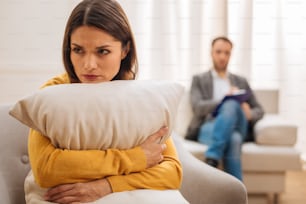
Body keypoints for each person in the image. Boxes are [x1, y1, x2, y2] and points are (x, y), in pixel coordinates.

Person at [27, 0, 182, 203]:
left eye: (103, 51)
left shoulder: (142, 97)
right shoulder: (51, 95)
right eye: (78, 50)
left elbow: (172, 172)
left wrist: (106, 186)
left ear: (125, 50)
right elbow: (46, 169)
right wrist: (135, 158)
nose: (88, 65)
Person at [185, 36, 264, 181]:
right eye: (219, 52)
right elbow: (197, 107)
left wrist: (249, 113)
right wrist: (223, 100)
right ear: (211, 53)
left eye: (227, 53)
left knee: (232, 104)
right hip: (209, 126)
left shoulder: (240, 81)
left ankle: (212, 157)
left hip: (238, 124)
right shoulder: (199, 79)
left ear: (230, 55)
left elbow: (259, 109)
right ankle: (238, 197)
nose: (222, 57)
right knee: (233, 139)